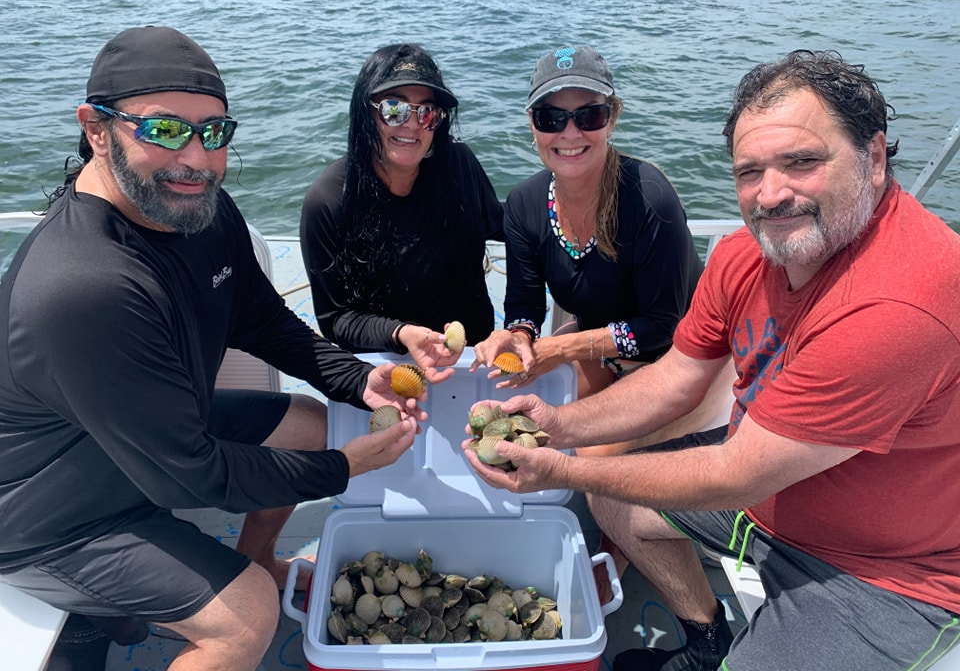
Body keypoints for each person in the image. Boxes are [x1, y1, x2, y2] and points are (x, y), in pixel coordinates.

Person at [463, 50, 960, 671]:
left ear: (875, 156)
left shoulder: (897, 303)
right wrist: (558, 427)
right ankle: (706, 640)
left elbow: (737, 472)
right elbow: (675, 377)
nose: (771, 194)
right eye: (750, 171)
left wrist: (560, 469)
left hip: (884, 573)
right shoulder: (742, 254)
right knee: (616, 504)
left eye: (803, 161)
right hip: (771, 504)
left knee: (602, 482)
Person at [0, 26, 422, 671]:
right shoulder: (85, 286)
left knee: (308, 424)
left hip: (153, 430)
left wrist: (355, 379)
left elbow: (259, 319)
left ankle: (253, 557)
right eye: (164, 130)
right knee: (246, 615)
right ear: (95, 128)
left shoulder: (199, 209)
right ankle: (234, 584)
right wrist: (344, 468)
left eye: (214, 132)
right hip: (50, 513)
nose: (197, 159)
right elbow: (192, 473)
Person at [470, 45, 730, 432]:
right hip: (601, 350)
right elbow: (524, 303)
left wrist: (562, 348)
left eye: (589, 115)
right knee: (522, 424)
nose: (570, 133)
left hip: (680, 357)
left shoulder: (649, 198)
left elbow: (663, 324)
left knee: (592, 465)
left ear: (612, 119)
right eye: (551, 118)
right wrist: (519, 335)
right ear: (532, 125)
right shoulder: (525, 203)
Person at [300, 43, 503, 381]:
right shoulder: (329, 201)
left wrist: (567, 202)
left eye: (426, 112)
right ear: (367, 114)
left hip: (475, 360)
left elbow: (504, 224)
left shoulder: (459, 164)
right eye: (394, 109)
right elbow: (336, 319)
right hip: (388, 370)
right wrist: (400, 333)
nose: (411, 124)